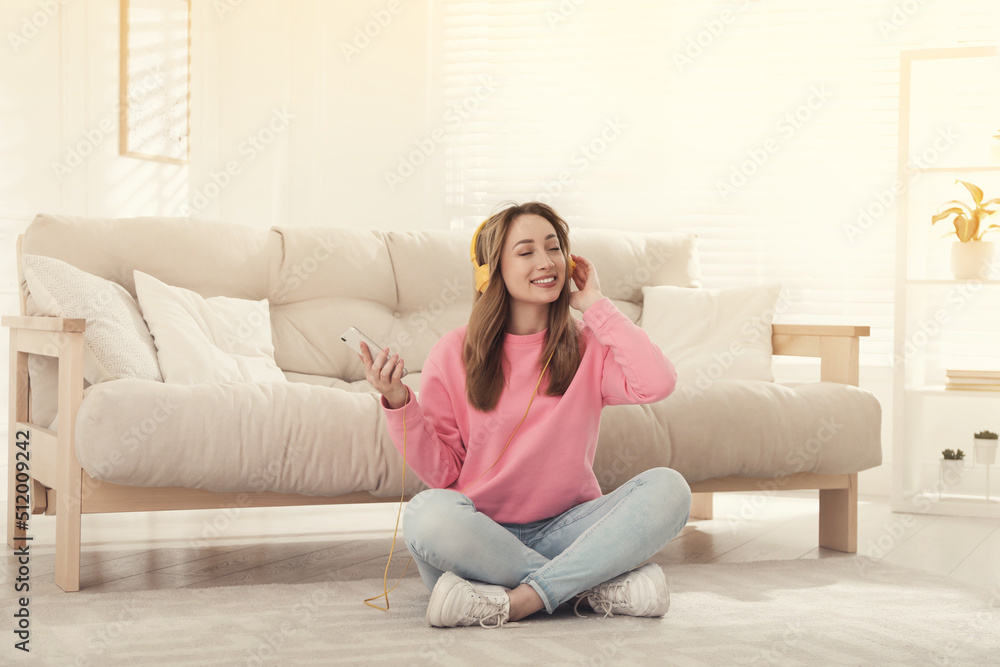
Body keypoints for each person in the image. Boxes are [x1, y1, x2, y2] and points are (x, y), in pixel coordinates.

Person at [358, 201, 691, 628]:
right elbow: (443, 474)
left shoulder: (588, 344)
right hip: (482, 538)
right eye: (527, 250)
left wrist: (596, 305)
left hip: (572, 530)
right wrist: (399, 402)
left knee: (670, 488)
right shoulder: (453, 353)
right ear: (490, 271)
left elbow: (657, 382)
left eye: (554, 248)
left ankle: (516, 602)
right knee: (426, 514)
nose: (546, 261)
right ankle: (589, 588)